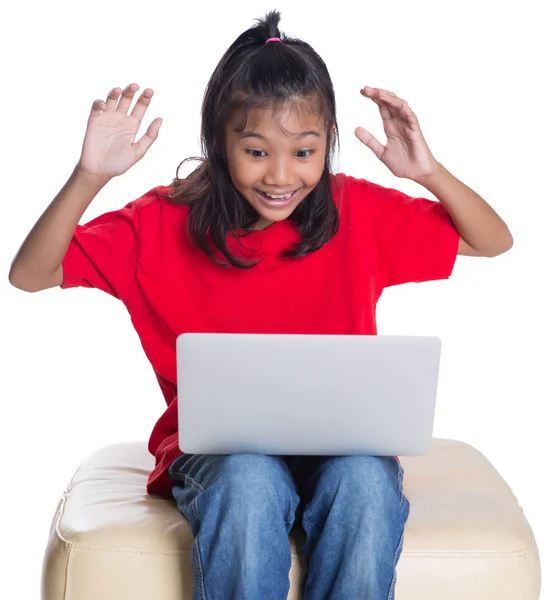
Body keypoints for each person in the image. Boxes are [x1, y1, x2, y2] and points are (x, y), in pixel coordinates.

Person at [9, 9, 513, 600]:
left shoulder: (355, 210)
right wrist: (88, 177)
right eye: (255, 151)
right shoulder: (158, 222)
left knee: (363, 482)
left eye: (304, 152)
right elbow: (31, 274)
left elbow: (492, 241)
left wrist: (427, 172)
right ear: (219, 144)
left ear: (327, 144)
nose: (281, 175)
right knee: (249, 477)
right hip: (222, 459)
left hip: (342, 448)